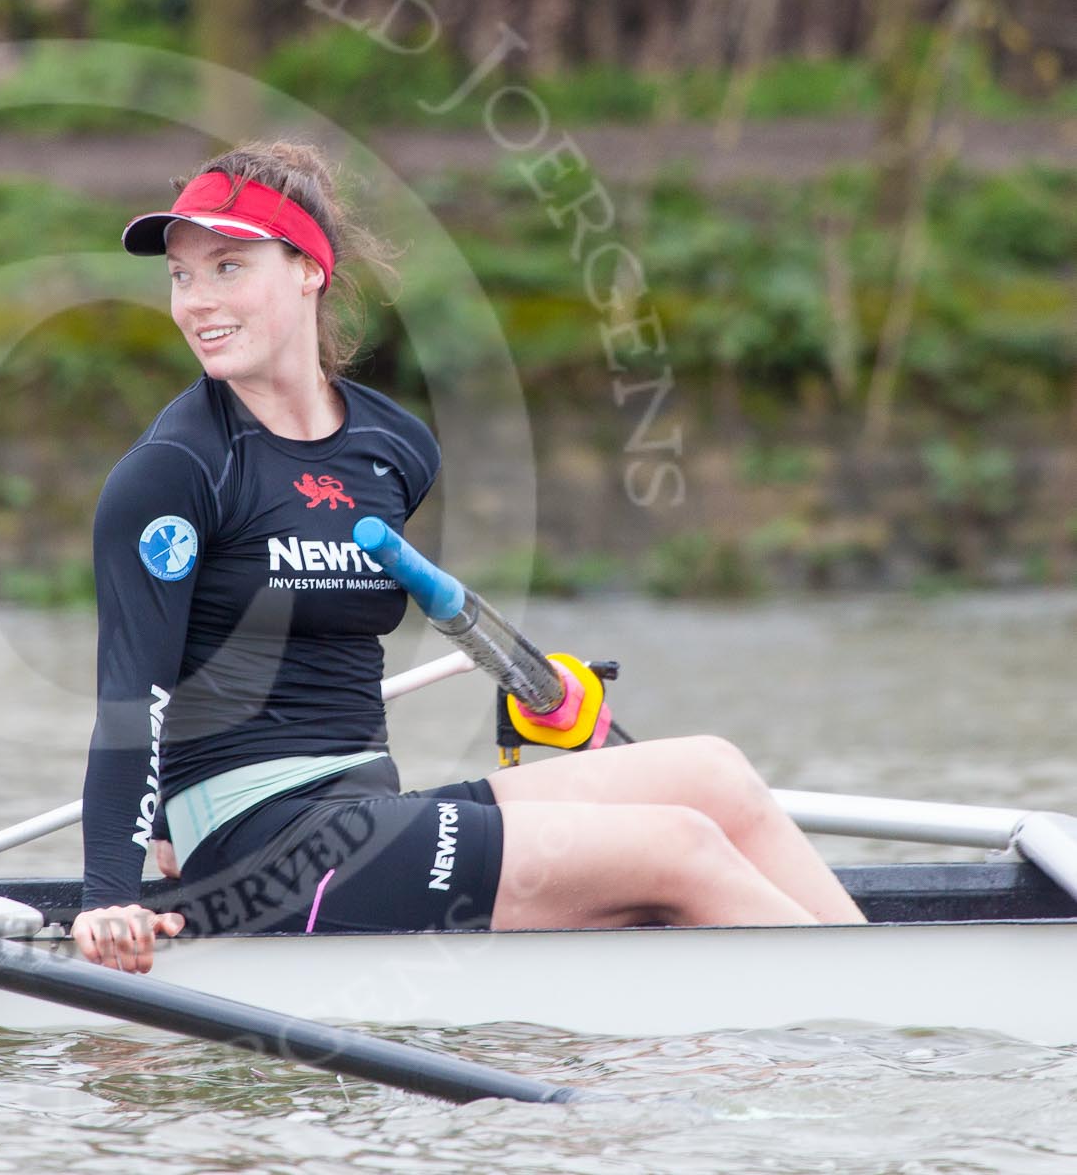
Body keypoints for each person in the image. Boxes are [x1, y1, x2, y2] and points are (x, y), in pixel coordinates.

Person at [74, 141, 864, 973]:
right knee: (681, 847)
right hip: (262, 851)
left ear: (309, 269)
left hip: (367, 814)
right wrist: (107, 894)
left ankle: (889, 997)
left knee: (717, 778)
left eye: (228, 268)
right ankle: (876, 1037)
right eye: (181, 275)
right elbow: (134, 698)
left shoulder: (393, 447)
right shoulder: (175, 472)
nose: (197, 301)